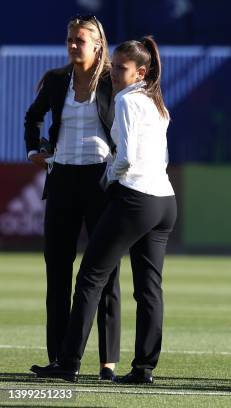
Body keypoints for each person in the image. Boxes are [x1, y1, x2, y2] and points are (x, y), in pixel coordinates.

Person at [30, 36, 177, 384]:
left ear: (140, 72)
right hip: (165, 200)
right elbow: (163, 156)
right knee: (149, 288)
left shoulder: (126, 99)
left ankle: (68, 363)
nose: (112, 72)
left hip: (136, 198)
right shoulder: (157, 101)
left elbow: (124, 157)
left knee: (90, 277)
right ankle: (143, 368)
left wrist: (108, 179)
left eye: (120, 68)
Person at [23, 15, 120, 380]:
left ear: (98, 44)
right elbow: (33, 118)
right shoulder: (56, 80)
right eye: (70, 39)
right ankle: (59, 359)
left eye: (80, 40)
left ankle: (107, 361)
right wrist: (35, 149)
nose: (73, 45)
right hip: (62, 178)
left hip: (100, 180)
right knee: (58, 271)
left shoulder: (113, 79)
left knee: (106, 273)